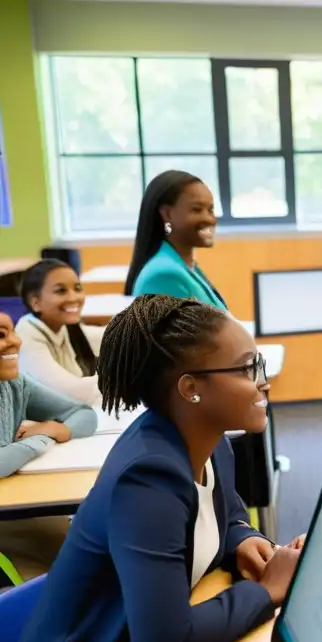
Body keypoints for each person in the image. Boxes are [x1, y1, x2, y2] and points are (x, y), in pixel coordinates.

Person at [0, 296, 303, 642]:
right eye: (245, 369)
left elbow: (228, 512)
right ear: (190, 388)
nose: (262, 384)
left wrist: (242, 539)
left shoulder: (207, 440)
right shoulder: (148, 480)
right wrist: (266, 591)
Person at [0, 309, 97, 585]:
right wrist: (41, 440)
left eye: (12, 332)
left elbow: (84, 415)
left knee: (87, 550)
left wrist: (50, 428)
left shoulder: (15, 383)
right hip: (7, 520)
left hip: (16, 508)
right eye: (1, 335)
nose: (15, 342)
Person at [125, 170, 227, 310]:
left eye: (210, 210)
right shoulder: (163, 276)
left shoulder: (185, 266)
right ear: (167, 214)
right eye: (197, 210)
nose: (209, 219)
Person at [15, 259, 104, 405]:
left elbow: (107, 337)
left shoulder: (62, 327)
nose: (74, 297)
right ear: (35, 302)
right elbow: (72, 394)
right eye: (61, 291)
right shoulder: (26, 337)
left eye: (77, 288)